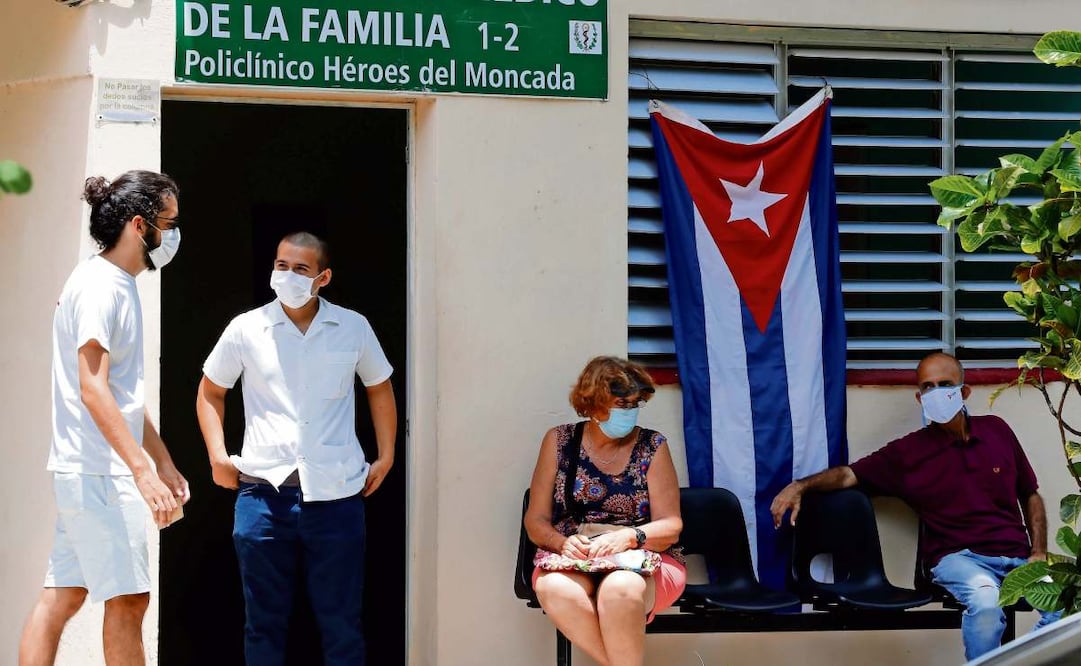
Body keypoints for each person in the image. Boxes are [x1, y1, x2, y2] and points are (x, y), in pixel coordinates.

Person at [770, 351, 1058, 661]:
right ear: (920, 398)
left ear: (964, 392)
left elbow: (1030, 494)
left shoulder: (997, 431)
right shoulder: (908, 454)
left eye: (945, 384)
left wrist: (1038, 551)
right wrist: (800, 486)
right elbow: (848, 475)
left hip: (1017, 556)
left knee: (1064, 602)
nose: (937, 393)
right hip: (960, 559)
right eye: (928, 386)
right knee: (987, 605)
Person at [195, 231, 397, 666]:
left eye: (300, 269)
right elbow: (211, 390)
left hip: (337, 496)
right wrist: (216, 455)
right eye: (282, 265)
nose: (287, 275)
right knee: (263, 624)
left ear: (323, 277)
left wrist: (387, 454)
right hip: (262, 497)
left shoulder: (352, 327)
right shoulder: (247, 328)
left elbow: (379, 388)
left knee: (342, 624)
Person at [19, 171, 191, 666]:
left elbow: (121, 397)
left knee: (63, 596)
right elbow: (92, 389)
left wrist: (162, 461)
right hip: (100, 474)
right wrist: (140, 470)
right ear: (140, 226)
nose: (174, 233)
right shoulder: (103, 288)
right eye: (170, 222)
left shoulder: (112, 282)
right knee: (130, 600)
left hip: (89, 469)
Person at [524, 356, 686, 666]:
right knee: (554, 588)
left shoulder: (652, 445)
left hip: (642, 555)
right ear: (592, 404)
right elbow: (536, 519)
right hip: (578, 553)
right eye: (621, 404)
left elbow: (671, 525)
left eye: (635, 403)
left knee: (620, 589)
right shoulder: (559, 441)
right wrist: (561, 542)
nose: (630, 412)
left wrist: (630, 537)